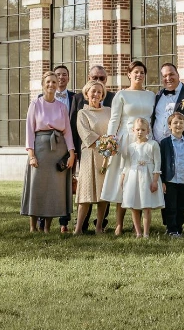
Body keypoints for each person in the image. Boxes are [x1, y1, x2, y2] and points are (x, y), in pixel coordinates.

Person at [100, 61, 156, 235]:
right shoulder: (121, 94)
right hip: (125, 141)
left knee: (141, 180)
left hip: (145, 140)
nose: (139, 75)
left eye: (142, 72)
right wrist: (110, 142)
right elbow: (114, 120)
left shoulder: (151, 95)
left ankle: (137, 225)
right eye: (136, 72)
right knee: (123, 180)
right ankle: (119, 224)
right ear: (129, 74)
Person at [151, 62, 184, 236]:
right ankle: (172, 226)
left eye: (171, 74)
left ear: (178, 74)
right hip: (162, 148)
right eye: (164, 76)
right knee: (168, 188)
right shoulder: (158, 96)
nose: (168, 78)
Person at [21, 71, 76, 233]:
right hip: (40, 150)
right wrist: (31, 155)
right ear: (43, 84)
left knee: (54, 188)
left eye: (54, 82)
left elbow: (67, 132)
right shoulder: (35, 104)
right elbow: (29, 131)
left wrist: (71, 153)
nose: (51, 85)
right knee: (37, 186)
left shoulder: (61, 107)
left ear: (57, 85)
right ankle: (33, 227)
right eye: (48, 82)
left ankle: (47, 228)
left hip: (58, 151)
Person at [70, 65, 114, 233]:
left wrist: (111, 144)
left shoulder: (109, 111)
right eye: (93, 91)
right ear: (87, 94)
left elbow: (114, 130)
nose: (96, 94)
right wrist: (105, 141)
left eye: (99, 92)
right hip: (89, 155)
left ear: (103, 95)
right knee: (85, 193)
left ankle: (99, 227)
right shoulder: (83, 113)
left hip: (105, 156)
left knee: (104, 193)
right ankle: (78, 228)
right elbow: (86, 134)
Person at [120, 117, 163, 238]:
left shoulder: (153, 144)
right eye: (138, 129)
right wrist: (123, 178)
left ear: (148, 131)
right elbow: (127, 165)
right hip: (133, 178)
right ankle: (138, 232)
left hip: (147, 177)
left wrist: (155, 181)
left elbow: (157, 163)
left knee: (146, 206)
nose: (140, 132)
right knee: (134, 206)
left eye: (143, 130)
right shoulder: (131, 147)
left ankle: (146, 233)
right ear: (133, 130)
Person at [159, 111, 184, 237]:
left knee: (181, 206)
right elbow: (161, 163)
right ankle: (171, 229)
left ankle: (178, 228)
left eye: (181, 123)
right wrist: (162, 181)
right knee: (170, 206)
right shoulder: (164, 143)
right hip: (170, 180)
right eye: (175, 123)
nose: (178, 125)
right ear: (169, 126)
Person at [50, 65, 75, 234]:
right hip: (50, 146)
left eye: (64, 74)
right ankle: (43, 220)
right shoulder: (42, 98)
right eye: (58, 74)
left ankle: (64, 222)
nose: (61, 77)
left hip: (69, 145)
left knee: (66, 184)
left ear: (68, 78)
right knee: (48, 182)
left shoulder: (76, 97)